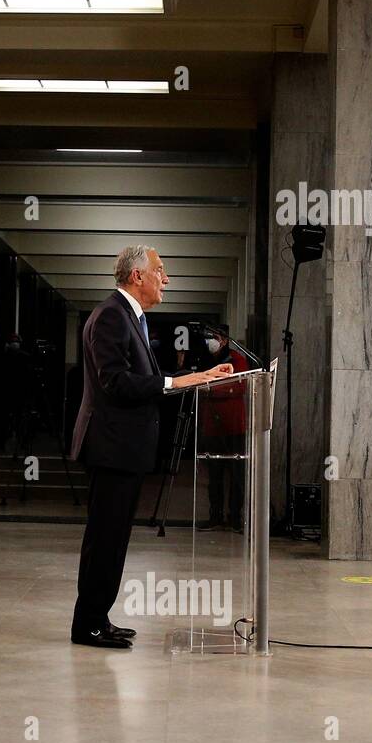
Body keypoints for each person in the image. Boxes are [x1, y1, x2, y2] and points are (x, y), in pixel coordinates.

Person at [69, 245, 232, 649]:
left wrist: (196, 376)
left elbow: (147, 378)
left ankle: (97, 617)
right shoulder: (111, 315)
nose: (167, 278)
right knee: (105, 538)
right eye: (160, 270)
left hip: (124, 448)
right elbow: (116, 382)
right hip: (111, 446)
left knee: (114, 537)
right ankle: (87, 624)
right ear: (136, 276)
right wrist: (176, 383)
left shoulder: (131, 317)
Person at [198, 325, 249, 532]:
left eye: (215, 337)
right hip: (211, 427)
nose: (211, 341)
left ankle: (235, 517)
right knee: (214, 476)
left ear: (225, 340)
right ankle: (215, 516)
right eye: (209, 337)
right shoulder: (206, 360)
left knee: (237, 475)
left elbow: (240, 386)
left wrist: (212, 388)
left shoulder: (237, 359)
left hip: (233, 425)